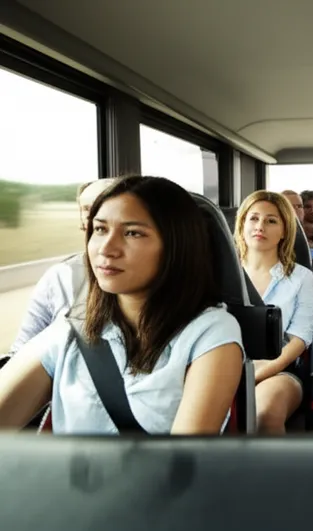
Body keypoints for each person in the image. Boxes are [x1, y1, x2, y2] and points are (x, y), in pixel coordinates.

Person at [0, 176, 244, 434]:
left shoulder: (210, 331)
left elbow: (185, 455)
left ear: (177, 246)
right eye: (100, 229)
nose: (106, 249)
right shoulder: (70, 330)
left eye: (132, 233)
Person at [234, 191, 313, 434]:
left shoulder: (301, 278)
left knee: (264, 416)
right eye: (254, 218)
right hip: (220, 366)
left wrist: (255, 375)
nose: (260, 226)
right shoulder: (218, 275)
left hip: (278, 370)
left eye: (271, 221)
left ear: (284, 231)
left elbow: (299, 339)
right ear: (242, 225)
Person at [8, 178, 118, 355]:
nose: (95, 215)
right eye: (87, 209)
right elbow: (21, 352)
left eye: (104, 204)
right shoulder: (60, 278)